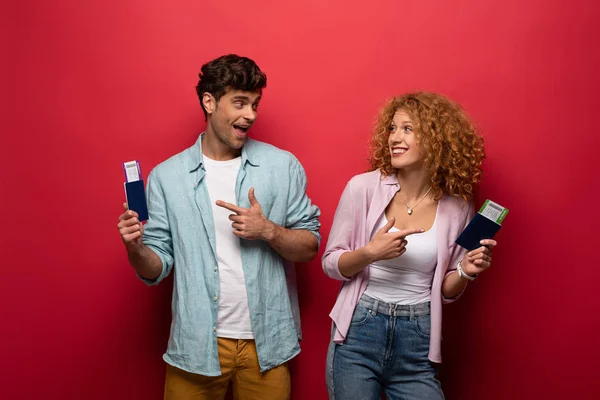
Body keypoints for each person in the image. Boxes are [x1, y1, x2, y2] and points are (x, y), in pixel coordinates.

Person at [117, 54, 321, 400]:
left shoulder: (282, 167)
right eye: (240, 103)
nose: (251, 115)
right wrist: (135, 248)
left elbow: (310, 246)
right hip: (196, 345)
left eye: (255, 104)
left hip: (267, 346)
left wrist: (267, 230)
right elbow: (157, 267)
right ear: (209, 102)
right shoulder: (167, 177)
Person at [322, 92, 497, 400]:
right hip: (359, 331)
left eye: (408, 129)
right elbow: (331, 263)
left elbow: (446, 291)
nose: (394, 138)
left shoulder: (458, 208)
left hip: (417, 338)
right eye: (392, 128)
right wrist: (370, 253)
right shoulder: (362, 188)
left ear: (436, 139)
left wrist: (466, 271)